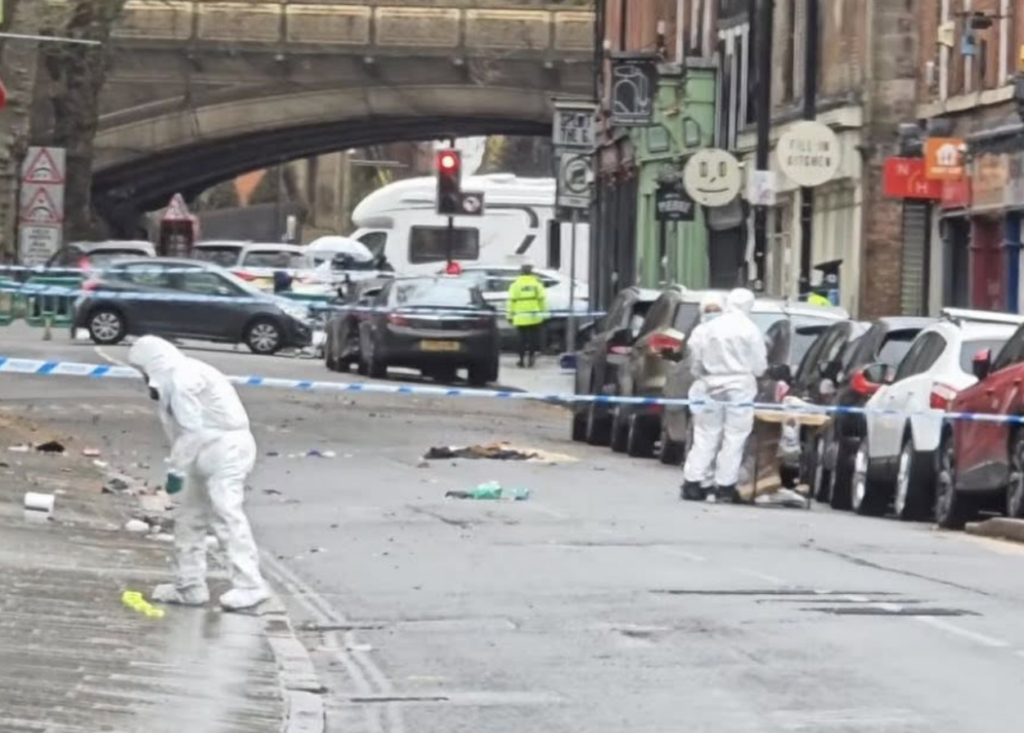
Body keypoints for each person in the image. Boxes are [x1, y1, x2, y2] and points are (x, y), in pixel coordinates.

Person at [128, 336, 270, 611]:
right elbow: (186, 432)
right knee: (189, 518)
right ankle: (189, 586)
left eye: (142, 372)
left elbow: (191, 430)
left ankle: (250, 585)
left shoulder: (183, 380)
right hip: (204, 451)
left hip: (225, 449)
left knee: (226, 515)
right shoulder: (175, 379)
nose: (143, 379)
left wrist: (176, 472)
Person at [680, 288, 767, 504]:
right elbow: (759, 366)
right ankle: (725, 486)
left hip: (711, 384)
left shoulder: (708, 328)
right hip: (740, 387)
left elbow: (694, 359)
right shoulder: (750, 329)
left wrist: (704, 376)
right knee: (735, 438)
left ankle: (693, 482)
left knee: (706, 434)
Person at [507, 263, 548, 368]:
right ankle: (531, 358)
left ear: (521, 272)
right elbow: (542, 300)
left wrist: (510, 316)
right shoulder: (536, 284)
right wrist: (544, 314)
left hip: (520, 314)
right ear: (531, 272)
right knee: (533, 339)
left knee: (521, 339)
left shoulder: (515, 285)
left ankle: (521, 360)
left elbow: (511, 301)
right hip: (534, 314)